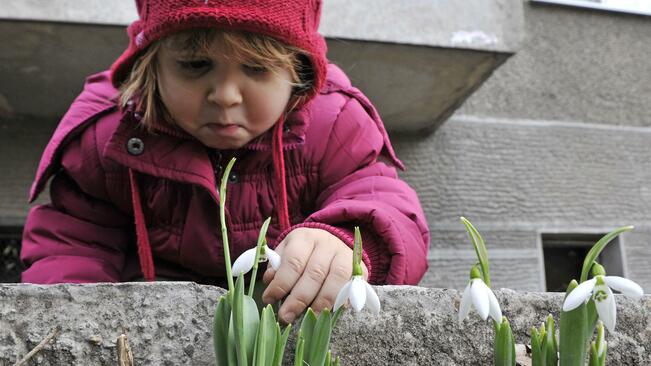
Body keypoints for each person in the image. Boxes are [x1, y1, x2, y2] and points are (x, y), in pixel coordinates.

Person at [20, 0, 429, 324]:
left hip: (283, 327)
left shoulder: (333, 125)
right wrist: (84, 321)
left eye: (256, 68)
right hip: (147, 328)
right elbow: (73, 244)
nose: (226, 95)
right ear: (151, 63)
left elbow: (385, 204)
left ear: (298, 70)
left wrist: (349, 244)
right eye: (195, 65)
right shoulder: (113, 139)